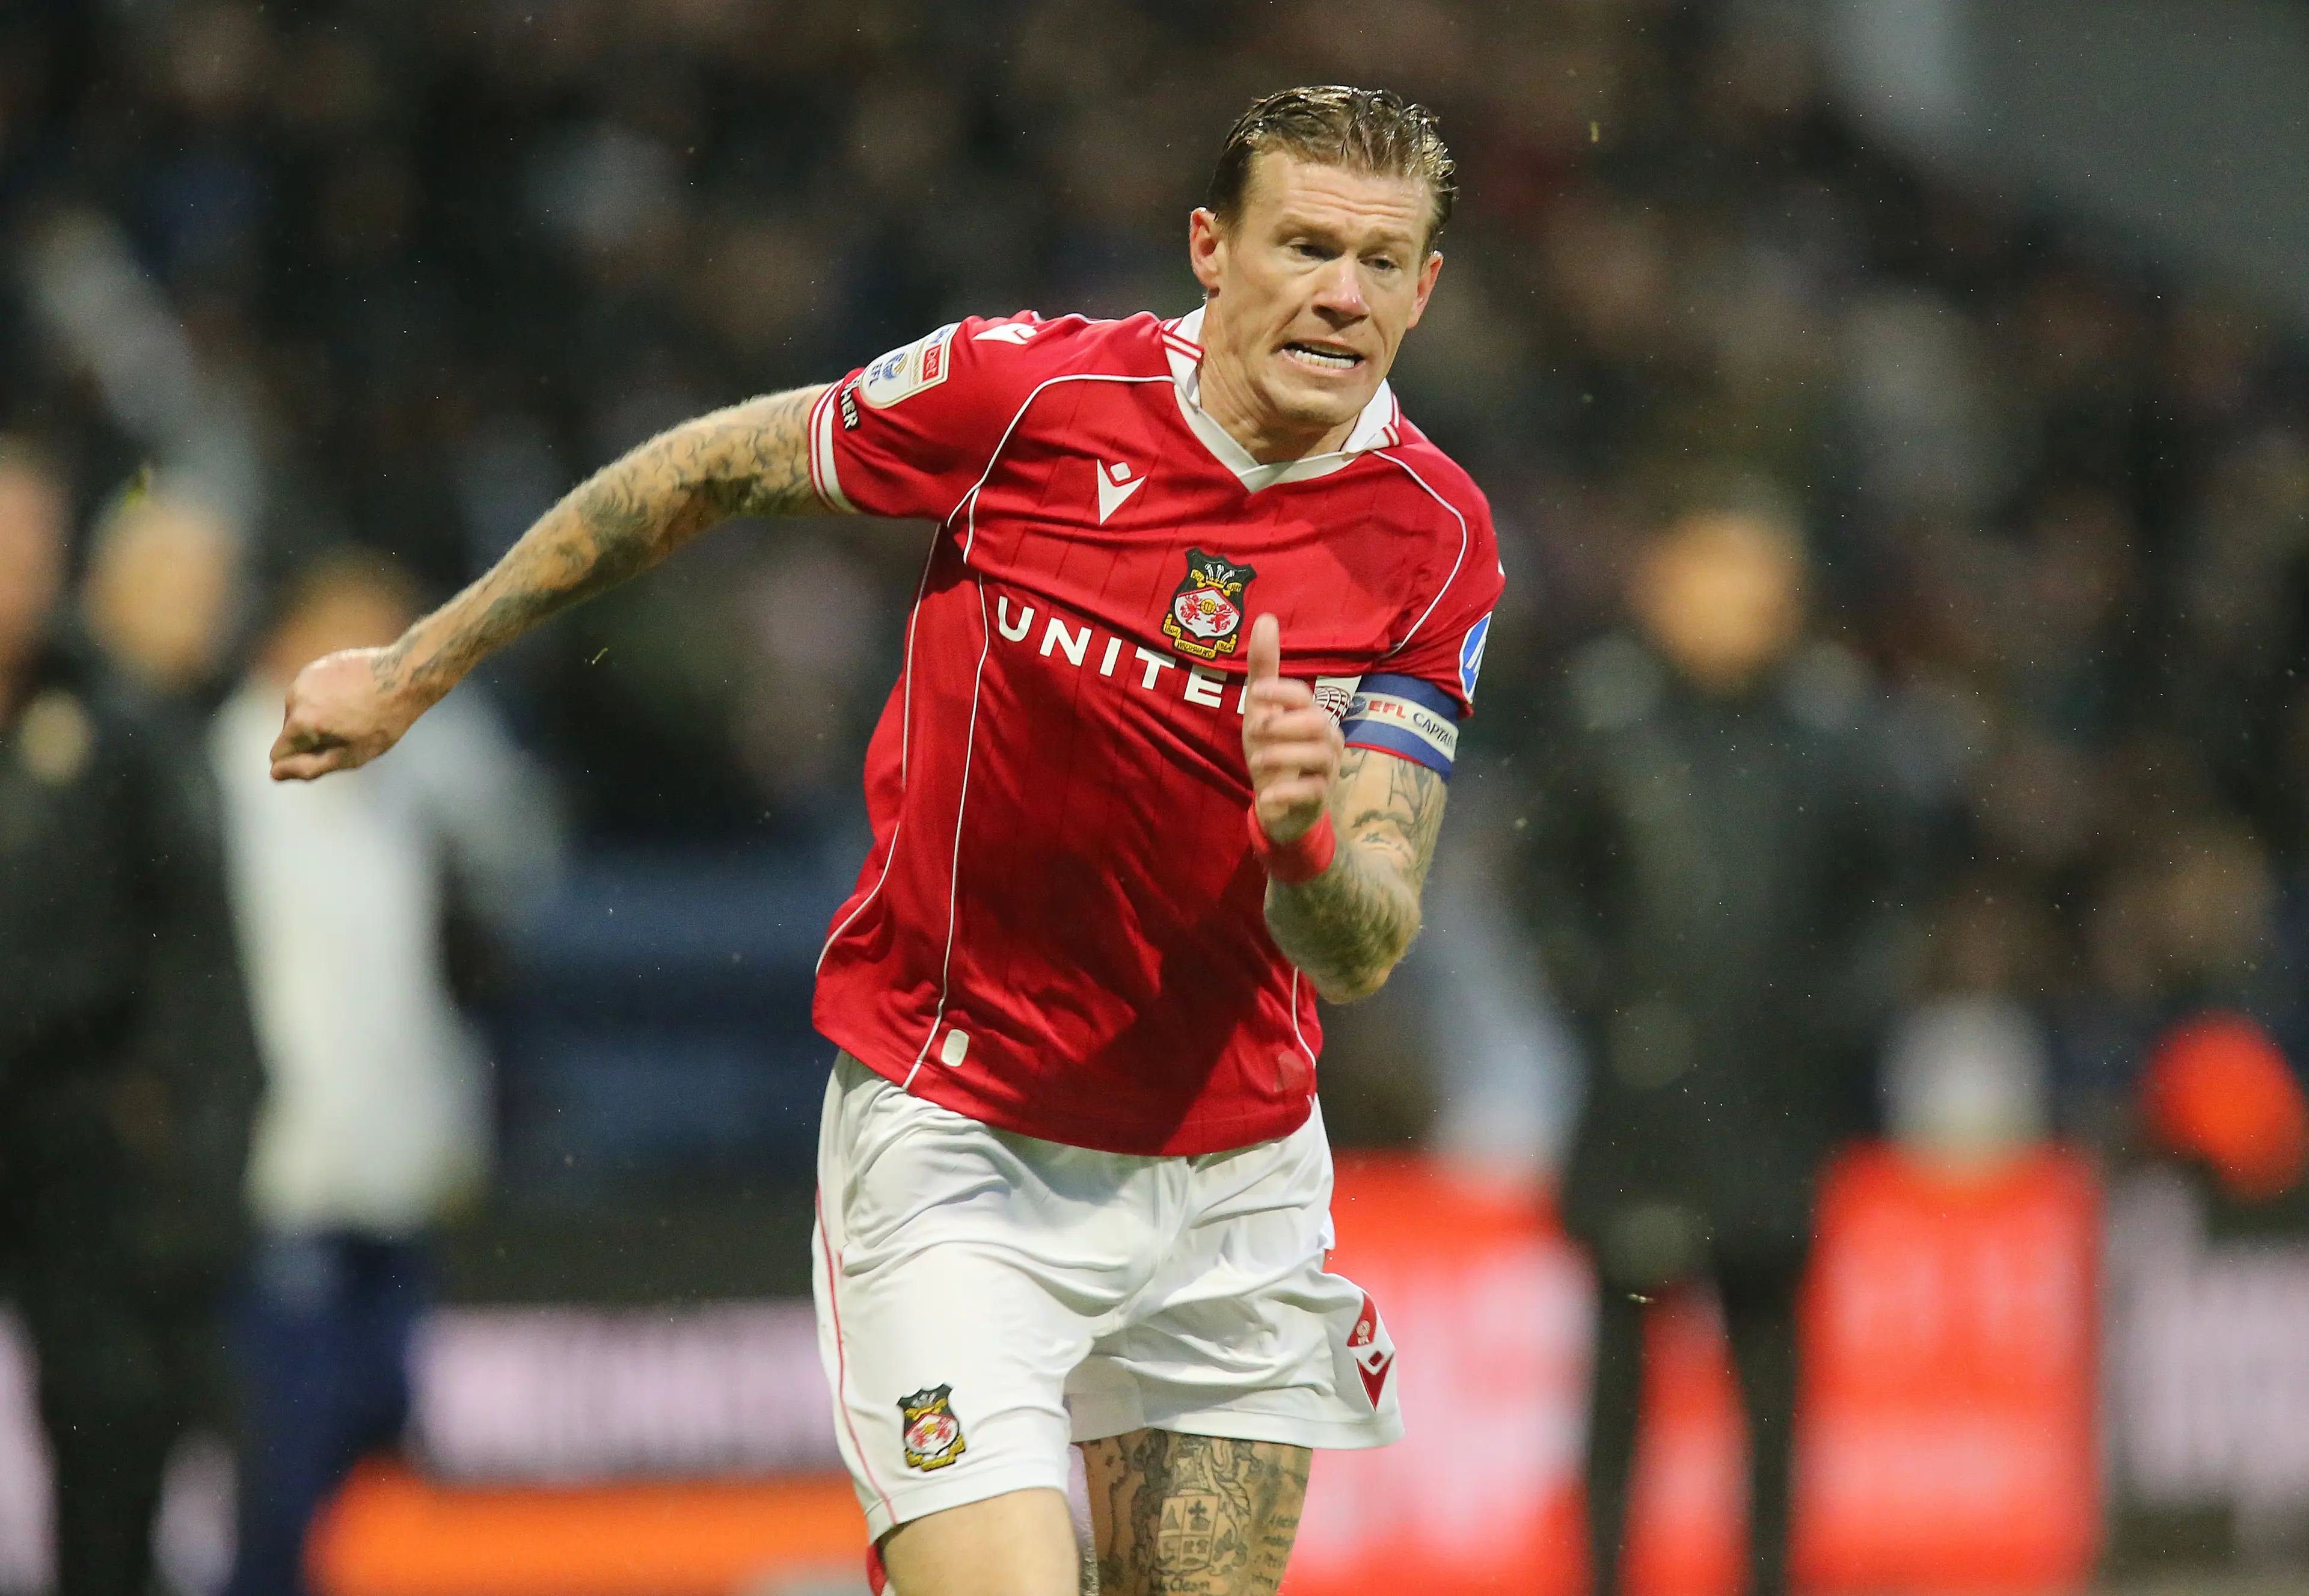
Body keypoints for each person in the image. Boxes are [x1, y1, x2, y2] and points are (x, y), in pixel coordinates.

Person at [268, 85, 1501, 1596]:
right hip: (959, 1143)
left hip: (1231, 1183)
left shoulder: (1435, 540)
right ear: (1207, 246)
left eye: (1383, 264)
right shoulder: (1027, 398)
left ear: (1428, 285)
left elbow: (1367, 941)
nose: (1341, 295)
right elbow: (713, 468)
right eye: (1305, 245)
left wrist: (1303, 844)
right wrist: (418, 667)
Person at [1511, 506, 1912, 1596]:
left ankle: (1773, 1574)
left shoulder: (1831, 729)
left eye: (1754, 577)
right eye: (1711, 573)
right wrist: (1602, 1003)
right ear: (1663, 583)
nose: (1732, 601)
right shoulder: (1610, 714)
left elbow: (1886, 898)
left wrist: (1829, 1021)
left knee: (1773, 1367)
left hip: (1772, 1102)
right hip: (1641, 1103)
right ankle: (1601, 1574)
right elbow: (1542, 878)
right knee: (1619, 1370)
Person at [210, 548, 562, 1596]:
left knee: (379, 1462)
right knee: (283, 1467)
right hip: (283, 1172)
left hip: (398, 1165)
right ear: (285, 640)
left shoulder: (420, 769)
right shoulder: (226, 766)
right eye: (358, 636)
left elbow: (525, 857)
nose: (388, 661)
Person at [0, 438, 261, 1596]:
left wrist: (189, 1157)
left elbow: (195, 987)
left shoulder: (122, 733)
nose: (19, 572)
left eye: (33, 545)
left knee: (113, 1461)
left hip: (92, 1165)